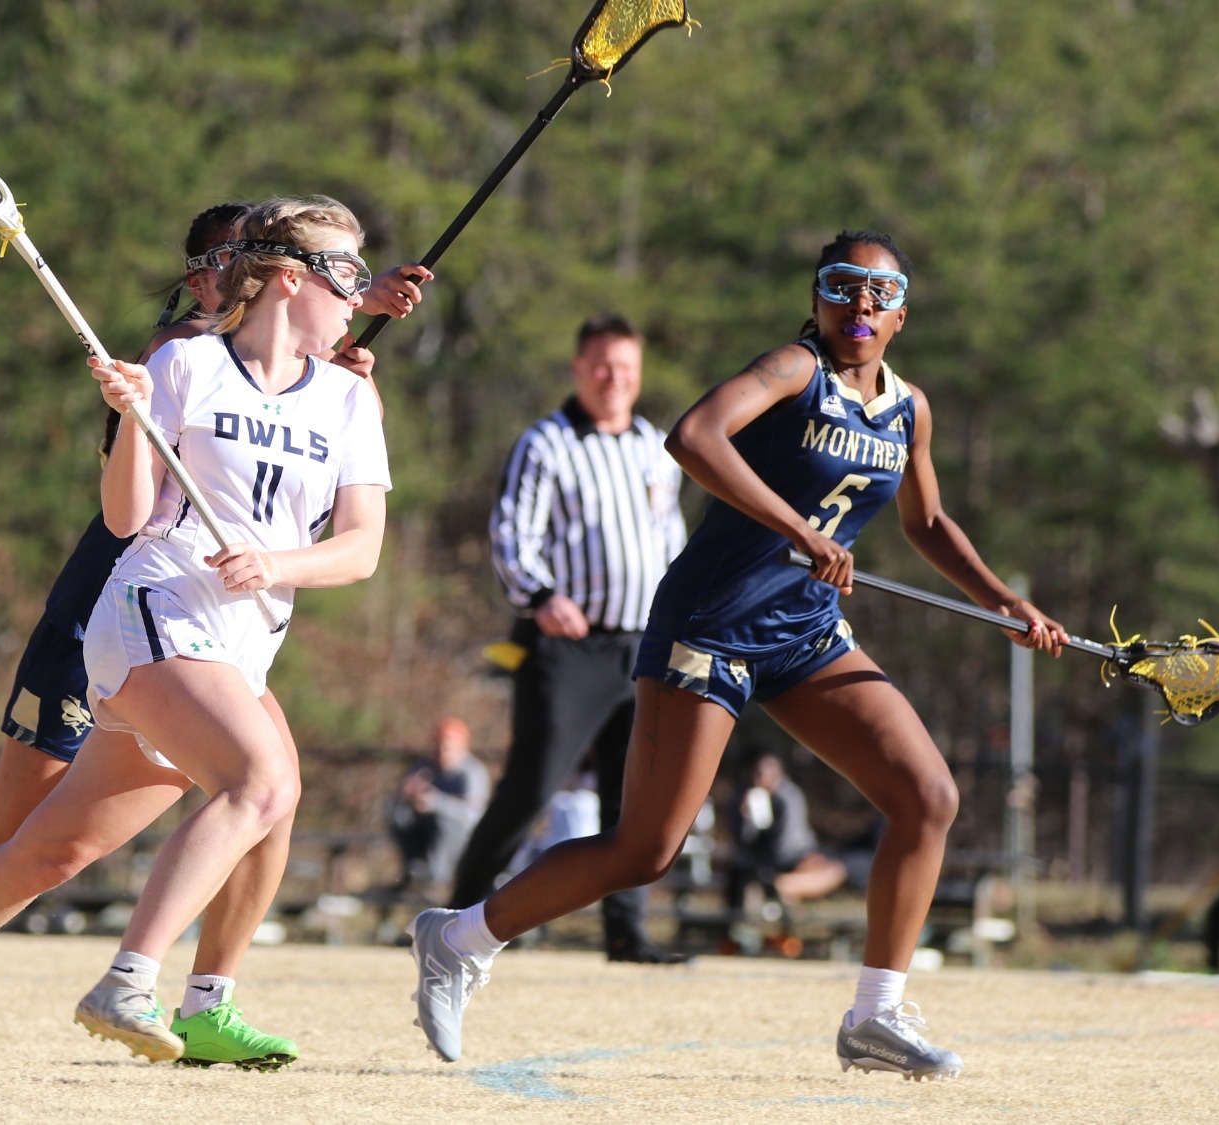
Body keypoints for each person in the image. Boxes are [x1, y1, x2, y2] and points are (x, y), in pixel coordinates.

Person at [408, 231, 1069, 1081]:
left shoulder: (910, 409)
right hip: (709, 626)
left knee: (926, 794)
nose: (859, 305)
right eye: (843, 285)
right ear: (820, 295)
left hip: (806, 632)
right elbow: (692, 437)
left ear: (903, 312)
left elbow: (928, 524)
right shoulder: (795, 369)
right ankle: (457, 937)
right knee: (645, 850)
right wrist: (796, 528)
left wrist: (1008, 604)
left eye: (880, 291)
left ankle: (875, 1014)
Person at [0, 196, 393, 1090]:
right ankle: (129, 982)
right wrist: (131, 418)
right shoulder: (191, 365)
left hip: (243, 638)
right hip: (152, 613)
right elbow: (126, 515)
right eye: (346, 274)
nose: (359, 296)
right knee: (263, 779)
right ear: (287, 278)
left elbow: (360, 548)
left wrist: (275, 560)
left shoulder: (351, 397)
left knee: (47, 853)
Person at [447, 313, 690, 964]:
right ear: (580, 369)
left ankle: (626, 932)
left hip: (644, 645)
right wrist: (541, 596)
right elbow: (510, 534)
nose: (615, 380)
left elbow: (672, 542)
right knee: (532, 784)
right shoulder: (547, 443)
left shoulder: (655, 447)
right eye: (603, 367)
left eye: (627, 370)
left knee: (633, 796)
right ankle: (458, 913)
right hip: (569, 644)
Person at [725, 749, 847, 914]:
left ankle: (776, 921)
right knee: (736, 875)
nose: (757, 778)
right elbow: (741, 840)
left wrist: (764, 865)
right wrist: (746, 818)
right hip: (759, 859)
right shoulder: (745, 795)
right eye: (755, 772)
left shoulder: (787, 797)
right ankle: (735, 926)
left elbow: (787, 843)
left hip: (792, 858)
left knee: (774, 882)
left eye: (762, 773)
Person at [389, 716, 490, 893]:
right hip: (425, 831)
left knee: (446, 823)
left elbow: (473, 815)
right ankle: (414, 871)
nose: (441, 750)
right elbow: (402, 799)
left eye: (447, 745)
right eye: (437, 743)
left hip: (461, 838)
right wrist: (407, 794)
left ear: (462, 746)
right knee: (397, 812)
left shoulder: (472, 773)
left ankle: (437, 880)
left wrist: (437, 803)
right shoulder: (424, 766)